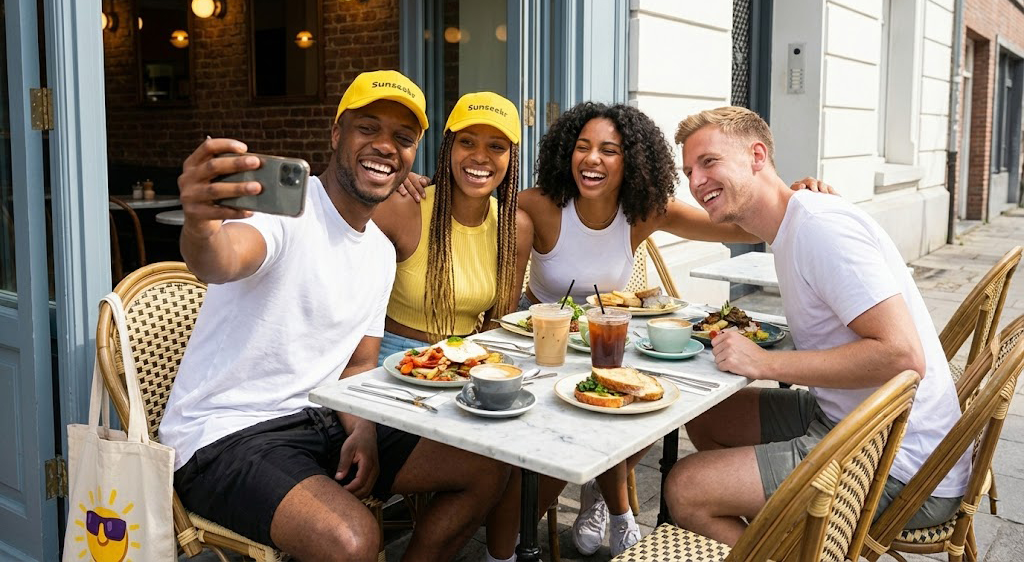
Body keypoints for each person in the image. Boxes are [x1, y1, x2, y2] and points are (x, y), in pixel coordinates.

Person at [160, 70, 510, 562]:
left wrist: (363, 429)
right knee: (354, 539)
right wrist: (200, 223)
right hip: (226, 434)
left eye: (403, 138)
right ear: (336, 134)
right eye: (369, 129)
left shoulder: (380, 253)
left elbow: (358, 364)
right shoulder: (287, 210)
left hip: (322, 420)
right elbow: (220, 259)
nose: (386, 146)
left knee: (487, 466)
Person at [482, 102, 835, 560]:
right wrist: (417, 186)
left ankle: (603, 499)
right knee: (564, 453)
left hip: (604, 345)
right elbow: (471, 211)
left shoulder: (643, 211)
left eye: (609, 150)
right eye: (582, 147)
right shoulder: (540, 205)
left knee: (654, 403)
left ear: (631, 161)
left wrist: (798, 197)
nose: (592, 159)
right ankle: (543, 532)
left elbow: (741, 218)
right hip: (543, 348)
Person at [665, 106, 970, 545]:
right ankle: (782, 529)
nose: (695, 183)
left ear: (756, 156)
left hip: (902, 464)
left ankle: (785, 540)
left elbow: (903, 356)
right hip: (854, 418)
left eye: (709, 162)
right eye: (690, 170)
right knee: (710, 418)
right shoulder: (798, 219)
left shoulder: (818, 228)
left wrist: (766, 365)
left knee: (685, 488)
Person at [372, 91, 532, 361]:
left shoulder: (515, 227)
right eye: (467, 142)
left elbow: (498, 323)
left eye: (496, 146)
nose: (480, 157)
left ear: (511, 158)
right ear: (449, 148)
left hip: (467, 358)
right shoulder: (405, 206)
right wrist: (392, 179)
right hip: (393, 356)